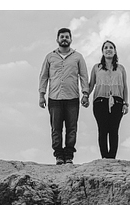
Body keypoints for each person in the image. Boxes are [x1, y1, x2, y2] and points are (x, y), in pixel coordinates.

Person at [38, 28, 89, 165]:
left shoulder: (78, 57)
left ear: (71, 39)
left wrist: (85, 93)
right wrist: (41, 95)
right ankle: (59, 156)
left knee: (72, 128)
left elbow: (84, 76)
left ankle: (69, 156)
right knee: (56, 128)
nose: (64, 39)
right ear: (57, 39)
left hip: (72, 98)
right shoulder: (50, 57)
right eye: (62, 37)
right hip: (54, 98)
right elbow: (43, 76)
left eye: (67, 37)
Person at [87, 40, 129, 159]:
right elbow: (91, 84)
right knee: (103, 129)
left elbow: (125, 86)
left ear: (115, 51)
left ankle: (112, 158)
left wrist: (126, 103)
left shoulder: (121, 68)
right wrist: (85, 95)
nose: (108, 49)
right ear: (102, 51)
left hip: (117, 101)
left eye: (111, 47)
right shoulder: (97, 68)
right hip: (100, 101)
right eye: (106, 47)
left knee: (114, 130)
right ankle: (104, 158)